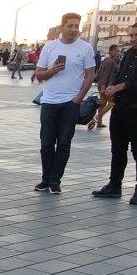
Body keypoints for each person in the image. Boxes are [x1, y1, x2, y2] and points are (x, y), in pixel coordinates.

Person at [94, 21, 137, 206]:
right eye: (131, 35)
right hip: (121, 108)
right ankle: (114, 185)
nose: (133, 39)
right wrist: (112, 87)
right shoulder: (129, 54)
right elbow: (121, 75)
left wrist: (123, 86)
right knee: (117, 149)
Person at [32, 13, 95, 195]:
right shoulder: (50, 47)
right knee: (46, 143)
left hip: (70, 103)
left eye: (77, 26)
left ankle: (55, 181)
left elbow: (90, 75)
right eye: (70, 26)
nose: (74, 29)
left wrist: (79, 98)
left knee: (64, 143)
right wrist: (52, 70)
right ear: (62, 27)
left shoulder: (85, 48)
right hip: (49, 102)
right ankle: (45, 179)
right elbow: (39, 74)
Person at [94, 44, 121, 128]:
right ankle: (99, 116)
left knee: (103, 103)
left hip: (104, 85)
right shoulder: (109, 61)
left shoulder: (109, 60)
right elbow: (105, 74)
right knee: (113, 102)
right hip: (106, 86)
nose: (118, 52)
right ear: (110, 51)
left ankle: (99, 122)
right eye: (116, 51)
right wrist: (103, 87)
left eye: (118, 51)